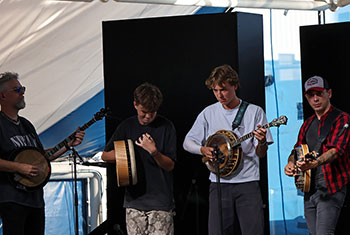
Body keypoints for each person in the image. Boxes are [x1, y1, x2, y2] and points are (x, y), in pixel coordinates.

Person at [183, 64, 273, 235]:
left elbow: (260, 153)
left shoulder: (254, 112)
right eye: (215, 90)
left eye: (223, 89)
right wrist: (203, 149)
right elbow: (187, 142)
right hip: (219, 184)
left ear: (235, 86)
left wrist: (261, 142)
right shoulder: (208, 113)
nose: (219, 95)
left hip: (247, 183)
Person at [0, 72, 85, 235]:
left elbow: (41, 158)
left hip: (35, 200)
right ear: (3, 96)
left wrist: (68, 145)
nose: (22, 92)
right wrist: (19, 167)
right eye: (17, 89)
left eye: (22, 88)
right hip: (11, 199)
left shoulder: (26, 125)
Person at [102, 82, 176, 235]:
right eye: (144, 111)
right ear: (135, 104)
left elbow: (170, 165)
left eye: (152, 112)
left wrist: (154, 151)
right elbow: (105, 155)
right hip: (134, 203)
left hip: (160, 204)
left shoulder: (166, 127)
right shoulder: (126, 126)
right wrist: (127, 153)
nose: (148, 116)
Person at [284, 75, 350, 235]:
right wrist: (291, 163)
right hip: (309, 189)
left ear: (329, 93)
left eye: (319, 93)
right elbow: (296, 151)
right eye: (311, 95)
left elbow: (335, 151)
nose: (315, 99)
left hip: (331, 188)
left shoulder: (342, 119)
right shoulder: (307, 124)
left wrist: (315, 163)